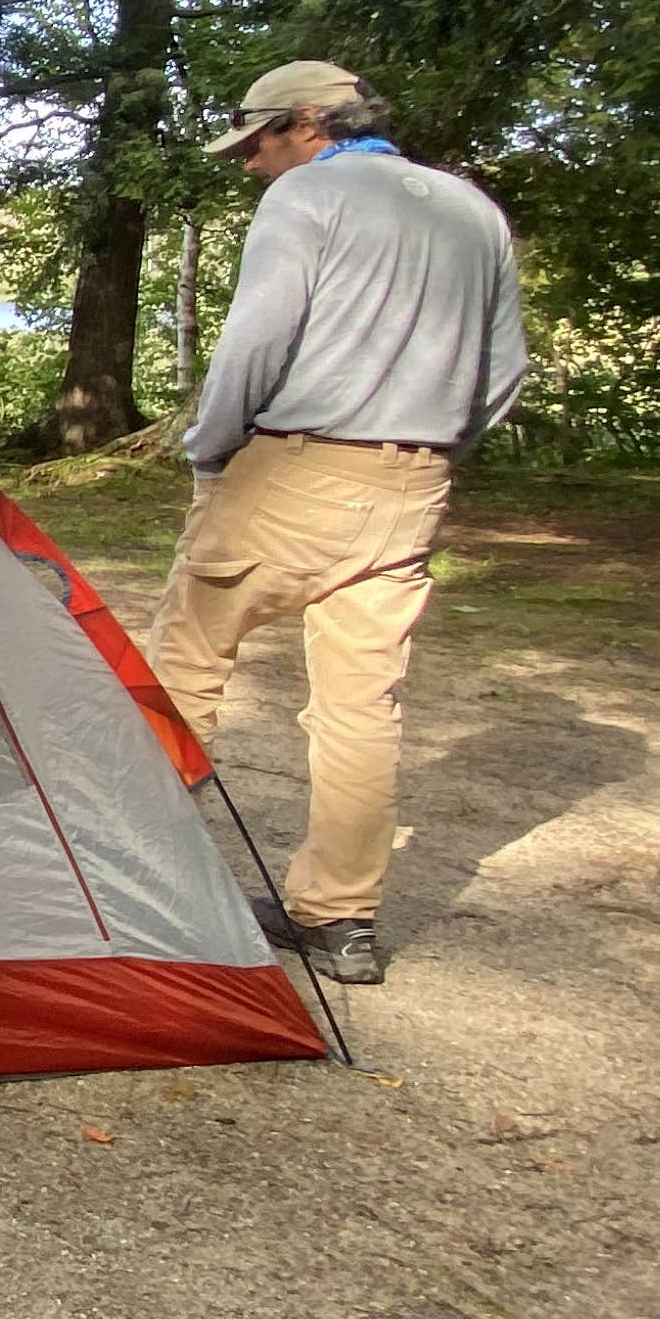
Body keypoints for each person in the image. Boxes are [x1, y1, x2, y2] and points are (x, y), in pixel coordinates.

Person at [150, 60, 524, 987]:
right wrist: (429, 440)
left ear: (309, 123)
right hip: (413, 480)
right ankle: (339, 920)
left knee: (183, 664)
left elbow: (257, 339)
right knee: (363, 706)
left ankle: (136, 880)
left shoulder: (309, 197)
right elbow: (504, 370)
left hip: (295, 461)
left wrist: (214, 446)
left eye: (259, 142)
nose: (250, 165)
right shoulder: (470, 208)